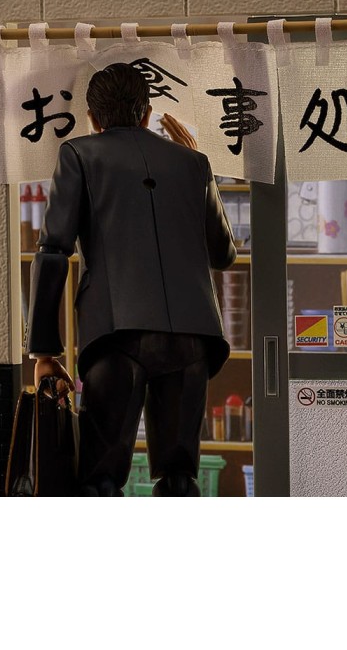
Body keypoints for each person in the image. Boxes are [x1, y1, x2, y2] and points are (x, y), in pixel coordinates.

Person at [25, 62, 237, 496]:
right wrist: (202, 171)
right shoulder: (194, 163)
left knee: (101, 476)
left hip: (116, 333)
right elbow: (224, 254)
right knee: (179, 476)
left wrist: (44, 351)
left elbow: (53, 251)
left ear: (92, 117)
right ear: (147, 113)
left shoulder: (79, 154)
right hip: (193, 337)